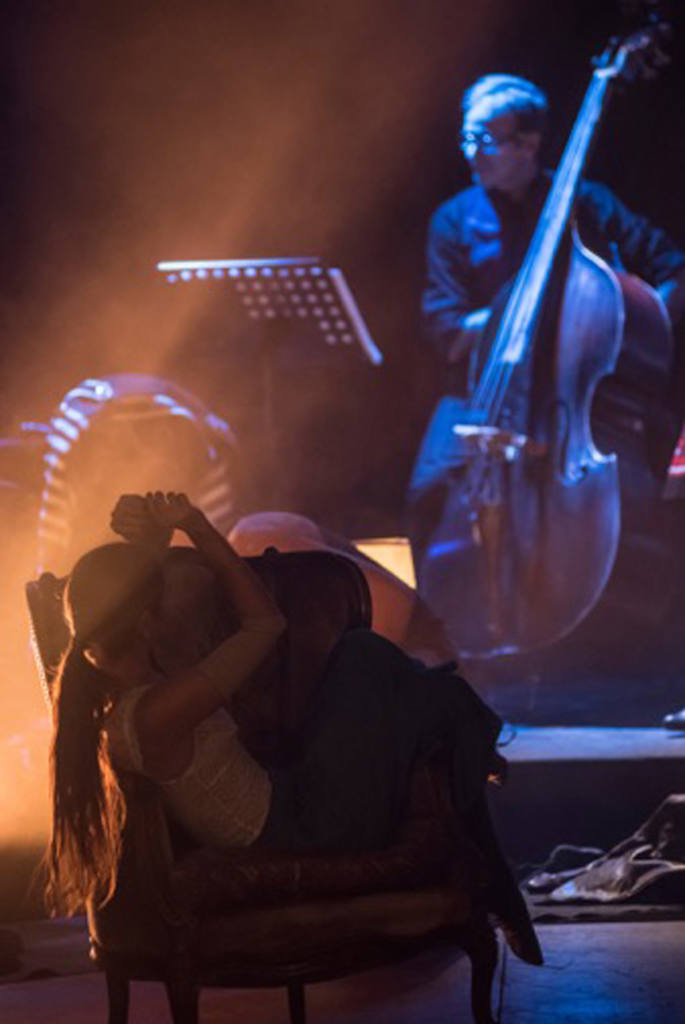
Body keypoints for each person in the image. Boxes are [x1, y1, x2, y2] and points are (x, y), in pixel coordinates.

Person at [45, 490, 542, 964]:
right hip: (299, 829)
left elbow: (144, 600)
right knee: (366, 658)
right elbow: (265, 624)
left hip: (292, 803)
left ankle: (474, 757)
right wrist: (194, 525)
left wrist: (149, 541)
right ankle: (481, 767)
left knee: (397, 683)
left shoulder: (117, 692)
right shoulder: (159, 711)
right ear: (149, 623)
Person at [422, 74, 685, 394]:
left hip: (581, 395)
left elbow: (676, 272)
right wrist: (522, 312)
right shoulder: (453, 220)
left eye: (485, 141)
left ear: (529, 145)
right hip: (479, 394)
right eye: (467, 138)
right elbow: (450, 339)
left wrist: (637, 337)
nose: (471, 152)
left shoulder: (588, 202)